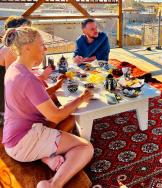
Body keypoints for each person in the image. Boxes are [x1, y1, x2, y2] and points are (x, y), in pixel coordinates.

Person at [2, 27, 94, 188]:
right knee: (86, 147)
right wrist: (82, 98)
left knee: (71, 119)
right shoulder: (28, 79)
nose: (45, 49)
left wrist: (57, 86)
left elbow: (34, 96)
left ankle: (47, 158)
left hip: (12, 137)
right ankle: (52, 184)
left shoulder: (14, 69)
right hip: (23, 143)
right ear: (27, 47)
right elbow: (55, 116)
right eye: (41, 44)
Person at [0, 16, 52, 125]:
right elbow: (15, 84)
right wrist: (42, 77)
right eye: (26, 29)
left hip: (9, 99)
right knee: (48, 99)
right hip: (8, 107)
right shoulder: (10, 50)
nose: (30, 33)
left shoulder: (8, 47)